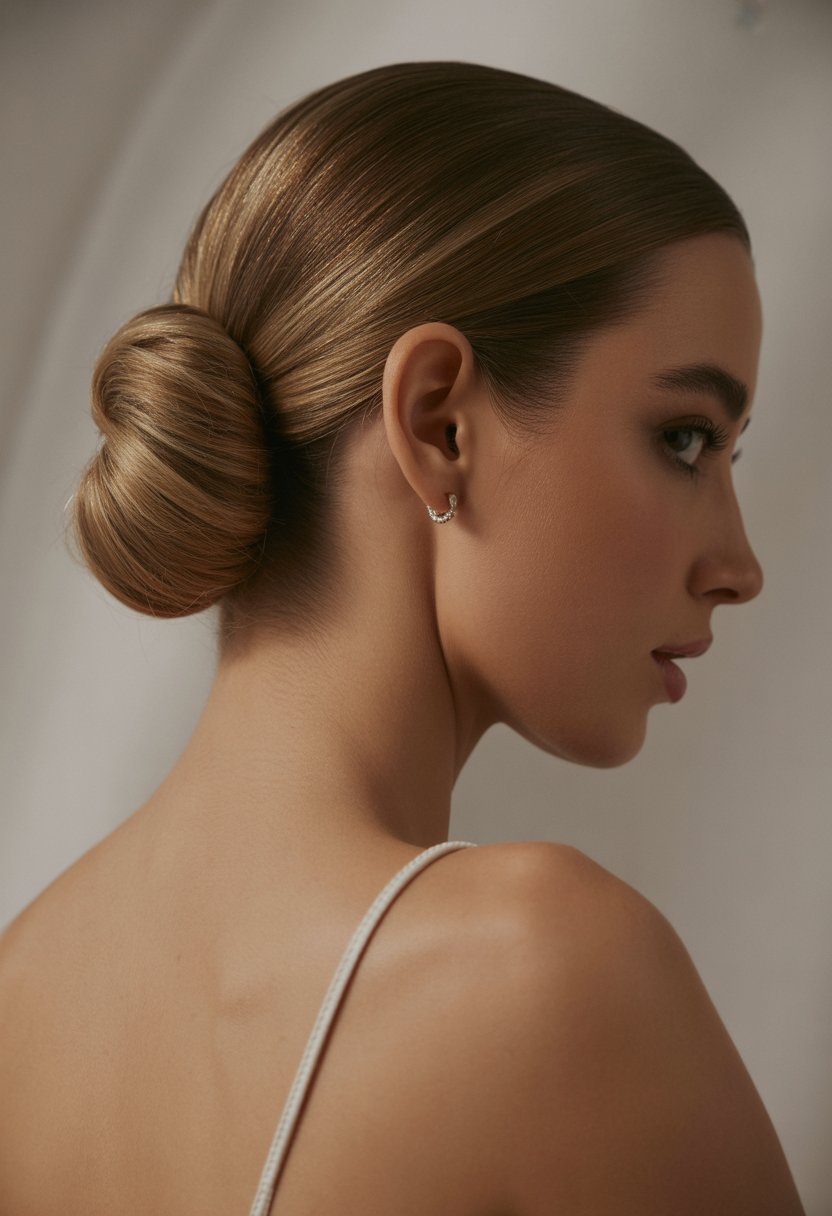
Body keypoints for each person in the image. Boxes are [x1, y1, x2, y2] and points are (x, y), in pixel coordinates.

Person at [0, 61, 805, 1215]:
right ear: (439, 421)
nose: (738, 565)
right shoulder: (547, 972)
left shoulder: (17, 996)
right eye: (684, 438)